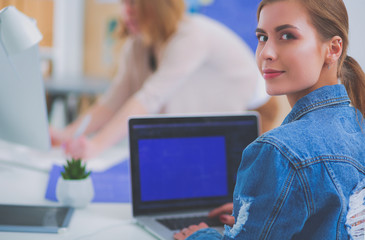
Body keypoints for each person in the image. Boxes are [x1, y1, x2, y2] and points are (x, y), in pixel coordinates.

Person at [174, 0, 365, 239]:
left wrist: (201, 235)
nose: (266, 53)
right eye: (262, 37)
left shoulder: (280, 151)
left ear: (333, 49)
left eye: (287, 36)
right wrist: (259, 213)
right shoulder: (359, 124)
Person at [50, 0, 279, 159]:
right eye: (125, 3)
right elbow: (112, 102)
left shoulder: (191, 34)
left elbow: (148, 98)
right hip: (215, 122)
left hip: (253, 114)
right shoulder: (138, 44)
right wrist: (67, 135)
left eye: (135, 4)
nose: (126, 12)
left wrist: (96, 146)